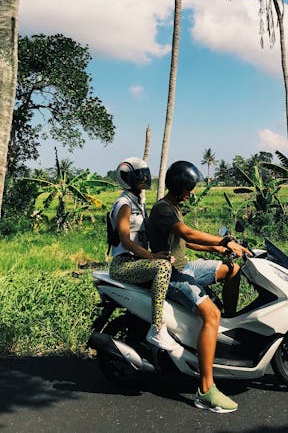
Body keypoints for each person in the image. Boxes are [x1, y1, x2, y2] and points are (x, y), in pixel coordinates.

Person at [149, 160, 251, 414]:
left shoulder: (173, 206)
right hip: (171, 275)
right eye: (191, 188)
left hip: (186, 267)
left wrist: (216, 248)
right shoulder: (163, 209)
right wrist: (224, 239)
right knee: (210, 314)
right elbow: (188, 234)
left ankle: (226, 326)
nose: (193, 192)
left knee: (232, 270)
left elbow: (187, 242)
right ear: (181, 187)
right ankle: (206, 390)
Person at [108, 157, 175, 352]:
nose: (144, 179)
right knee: (162, 267)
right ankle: (157, 328)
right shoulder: (124, 204)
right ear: (126, 178)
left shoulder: (138, 202)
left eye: (146, 174)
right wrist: (153, 258)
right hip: (123, 263)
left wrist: (158, 254)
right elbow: (126, 239)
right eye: (139, 176)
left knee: (169, 263)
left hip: (137, 261)